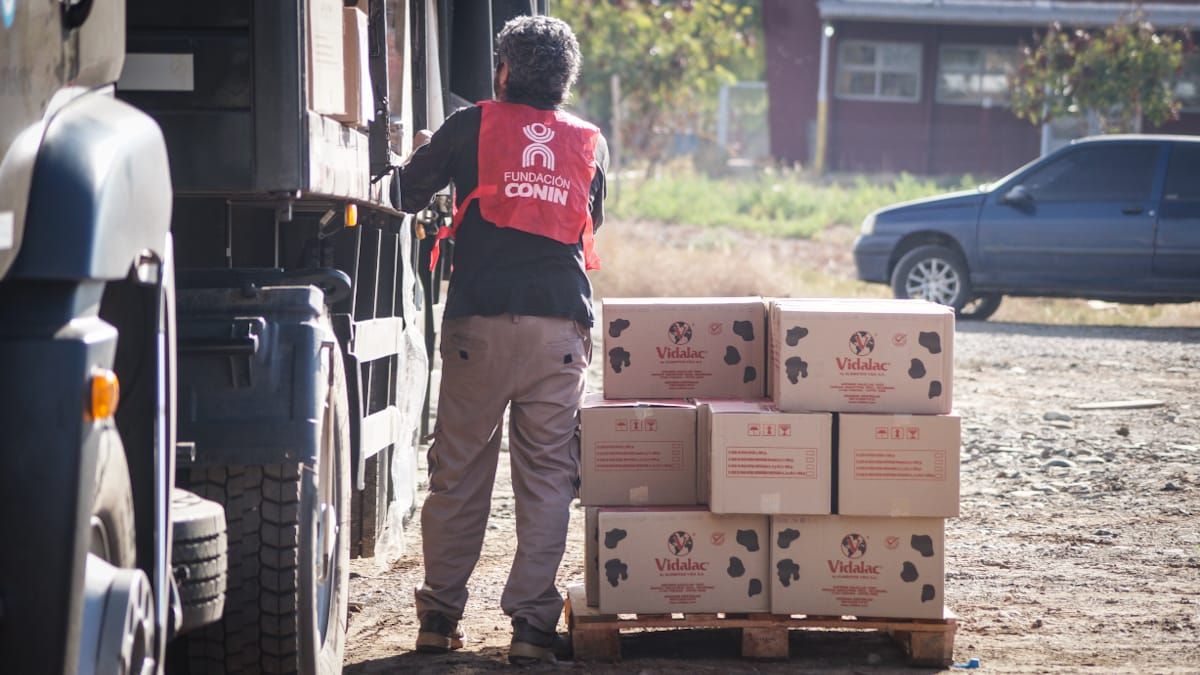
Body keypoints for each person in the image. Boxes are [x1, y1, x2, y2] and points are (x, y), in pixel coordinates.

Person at [396, 15, 607, 665]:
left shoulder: (470, 126)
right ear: (566, 79)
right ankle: (531, 628)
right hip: (558, 331)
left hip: (478, 327)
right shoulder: (588, 142)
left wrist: (429, 151)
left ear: (506, 70)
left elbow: (404, 192)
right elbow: (590, 219)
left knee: (458, 470)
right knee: (547, 478)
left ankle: (440, 617)